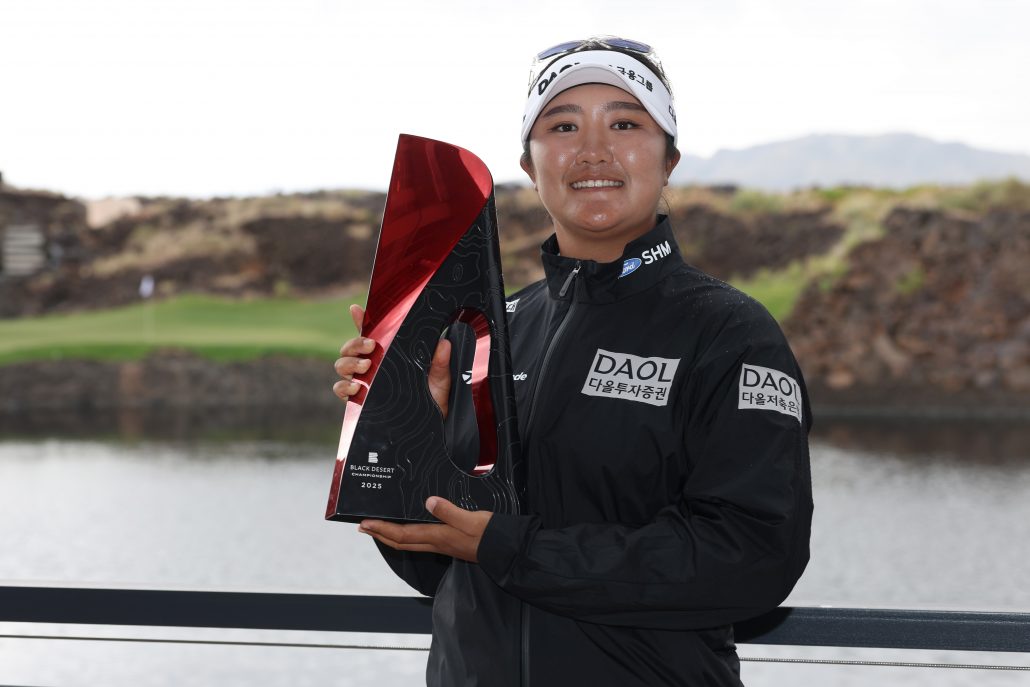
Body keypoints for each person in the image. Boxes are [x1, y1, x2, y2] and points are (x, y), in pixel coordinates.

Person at [334, 37, 813, 687]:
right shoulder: (486, 330)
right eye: (562, 127)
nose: (592, 150)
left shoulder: (729, 331)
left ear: (669, 160)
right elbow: (438, 565)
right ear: (529, 166)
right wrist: (407, 435)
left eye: (625, 124)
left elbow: (753, 558)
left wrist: (511, 547)